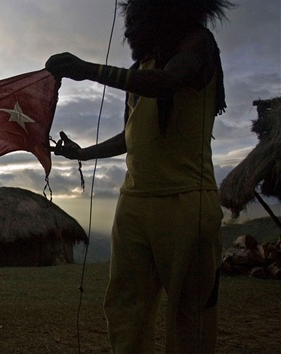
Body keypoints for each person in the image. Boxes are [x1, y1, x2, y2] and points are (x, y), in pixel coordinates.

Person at [45, 0, 233, 353]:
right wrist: (82, 153)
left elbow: (167, 82)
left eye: (135, 19)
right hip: (133, 203)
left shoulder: (198, 44)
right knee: (125, 307)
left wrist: (88, 69)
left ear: (162, 14)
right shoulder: (140, 71)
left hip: (186, 200)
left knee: (190, 312)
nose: (128, 29)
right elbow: (129, 135)